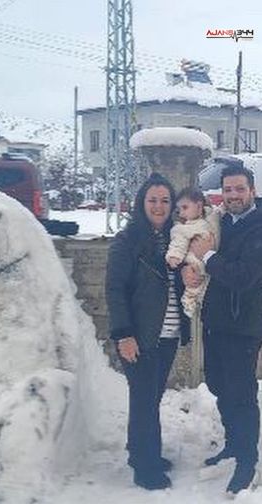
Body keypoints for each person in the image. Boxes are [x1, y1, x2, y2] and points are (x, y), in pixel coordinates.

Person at [105, 172, 190, 491]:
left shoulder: (175, 238)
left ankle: (139, 450)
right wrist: (123, 333)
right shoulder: (127, 241)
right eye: (152, 200)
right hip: (138, 335)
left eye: (165, 200)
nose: (159, 206)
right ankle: (145, 465)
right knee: (143, 400)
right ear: (142, 203)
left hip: (166, 334)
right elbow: (114, 289)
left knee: (150, 398)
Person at [185, 160, 262, 495]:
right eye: (228, 189)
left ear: (253, 191)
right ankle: (233, 444)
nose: (233, 195)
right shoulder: (222, 223)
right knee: (219, 386)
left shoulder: (258, 227)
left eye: (239, 189)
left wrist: (209, 257)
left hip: (244, 326)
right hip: (216, 322)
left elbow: (245, 276)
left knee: (242, 395)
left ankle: (247, 461)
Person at [165, 188, 221, 318]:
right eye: (179, 210)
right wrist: (174, 256)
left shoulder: (211, 217)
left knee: (206, 286)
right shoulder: (182, 228)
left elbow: (217, 216)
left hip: (213, 262)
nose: (182, 213)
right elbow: (178, 242)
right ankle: (190, 305)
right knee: (195, 284)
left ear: (199, 205)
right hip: (194, 261)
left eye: (185, 207)